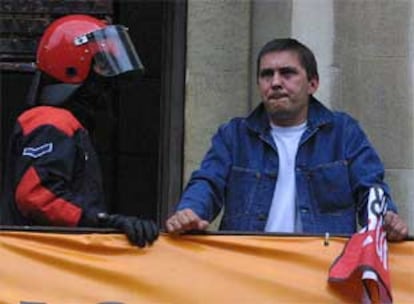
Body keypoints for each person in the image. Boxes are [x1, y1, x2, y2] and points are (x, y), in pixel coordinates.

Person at [165, 38, 409, 241]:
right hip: (248, 272)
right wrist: (190, 212)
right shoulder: (234, 135)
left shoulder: (343, 132)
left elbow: (370, 189)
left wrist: (384, 219)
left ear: (312, 83)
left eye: (287, 73)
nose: (276, 82)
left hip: (323, 272)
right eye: (267, 75)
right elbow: (208, 182)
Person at [0, 14, 159, 248]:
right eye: (102, 63)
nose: (107, 76)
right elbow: (36, 197)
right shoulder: (51, 121)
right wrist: (101, 222)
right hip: (41, 265)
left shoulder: (66, 124)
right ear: (72, 64)